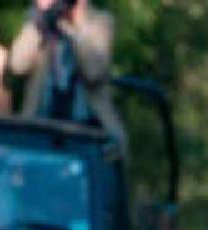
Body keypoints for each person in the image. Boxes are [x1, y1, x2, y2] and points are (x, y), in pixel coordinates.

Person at [8, 0, 124, 141]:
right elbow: (17, 66)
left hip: (89, 128)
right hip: (42, 125)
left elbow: (94, 72)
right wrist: (39, 20)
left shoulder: (101, 22)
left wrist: (73, 27)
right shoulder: (40, 24)